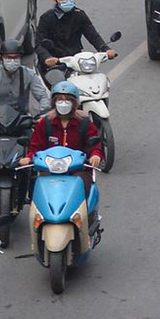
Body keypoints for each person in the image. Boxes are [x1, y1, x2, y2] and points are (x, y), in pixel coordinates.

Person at [24, 79, 105, 235]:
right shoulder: (45, 123)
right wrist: (29, 157)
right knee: (35, 185)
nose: (63, 103)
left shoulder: (85, 123)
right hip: (50, 170)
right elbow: (35, 146)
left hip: (77, 170)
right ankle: (40, 222)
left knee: (84, 188)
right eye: (59, 99)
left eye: (67, 99)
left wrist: (95, 155)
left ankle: (87, 223)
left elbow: (94, 144)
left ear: (74, 103)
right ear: (54, 102)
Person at [34, 0, 118, 71]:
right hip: (55, 64)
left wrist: (105, 49)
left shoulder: (79, 15)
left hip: (76, 62)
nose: (68, 1)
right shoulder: (46, 18)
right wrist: (47, 58)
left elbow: (92, 35)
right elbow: (38, 43)